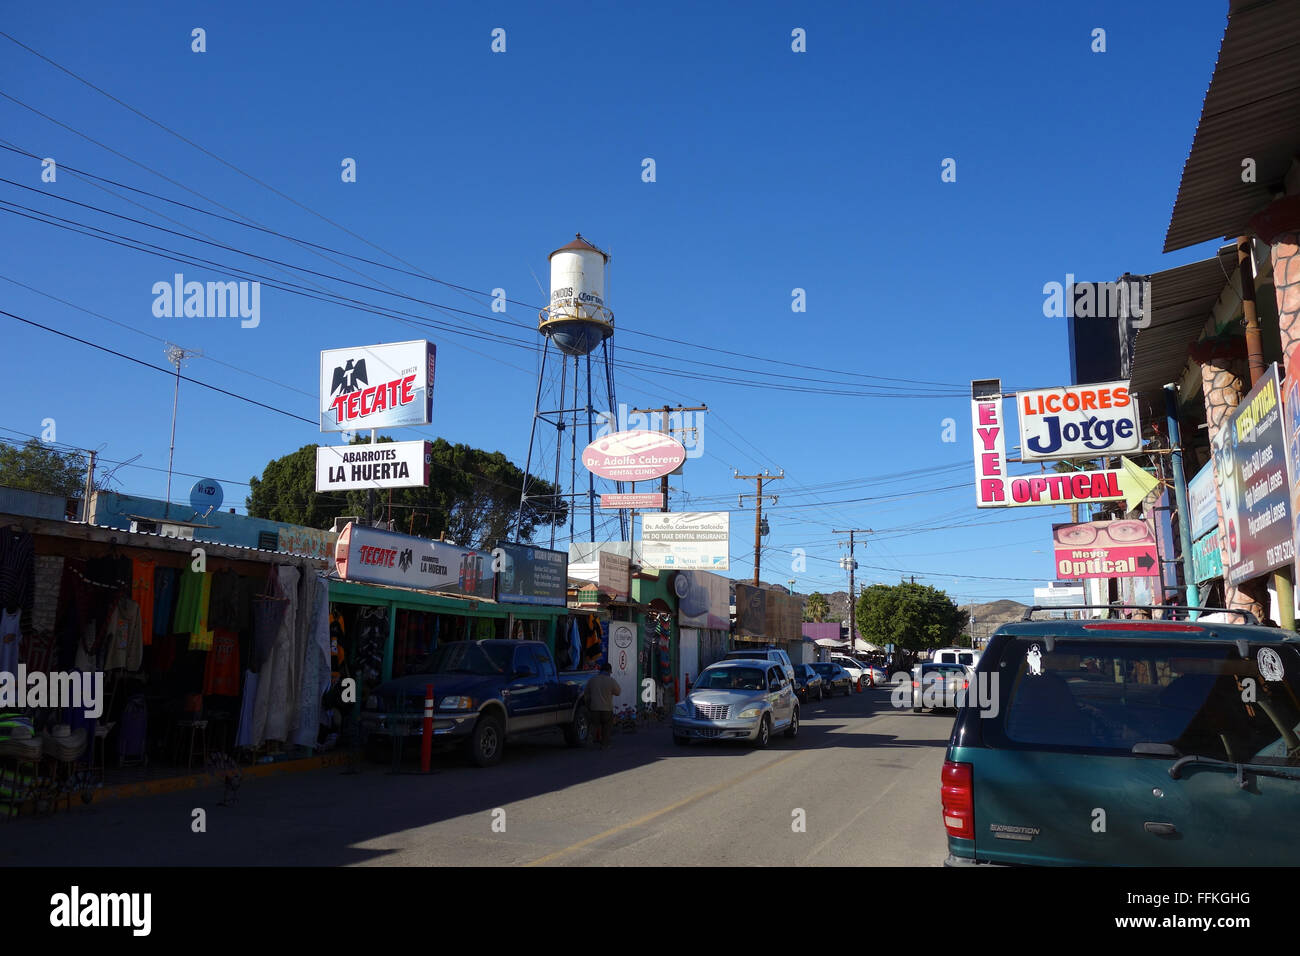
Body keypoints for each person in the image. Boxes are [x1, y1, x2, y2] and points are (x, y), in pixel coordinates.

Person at [586, 662, 621, 750]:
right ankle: (604, 744)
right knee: (607, 726)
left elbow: (586, 694)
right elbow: (618, 692)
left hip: (594, 708)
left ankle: (589, 742)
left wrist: (589, 705)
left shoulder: (592, 680)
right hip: (607, 709)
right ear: (609, 671)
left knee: (593, 725)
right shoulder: (611, 680)